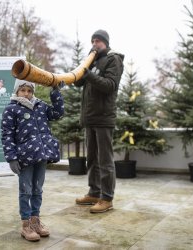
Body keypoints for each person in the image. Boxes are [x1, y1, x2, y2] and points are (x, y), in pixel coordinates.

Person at [1, 79, 64, 242]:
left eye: (29, 90)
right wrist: (11, 158)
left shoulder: (41, 106)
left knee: (37, 188)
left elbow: (57, 113)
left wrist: (55, 92)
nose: (27, 94)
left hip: (41, 155)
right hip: (24, 157)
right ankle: (26, 224)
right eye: (23, 90)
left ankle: (36, 221)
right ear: (17, 91)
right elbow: (7, 135)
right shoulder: (11, 109)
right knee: (26, 190)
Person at [74, 29, 124, 213]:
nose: (95, 43)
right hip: (90, 118)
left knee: (105, 160)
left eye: (98, 41)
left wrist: (89, 74)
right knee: (92, 159)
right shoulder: (92, 61)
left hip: (104, 118)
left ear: (106, 42)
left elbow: (110, 85)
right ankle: (94, 192)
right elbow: (78, 82)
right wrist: (83, 68)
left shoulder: (114, 59)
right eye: (93, 40)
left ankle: (107, 198)